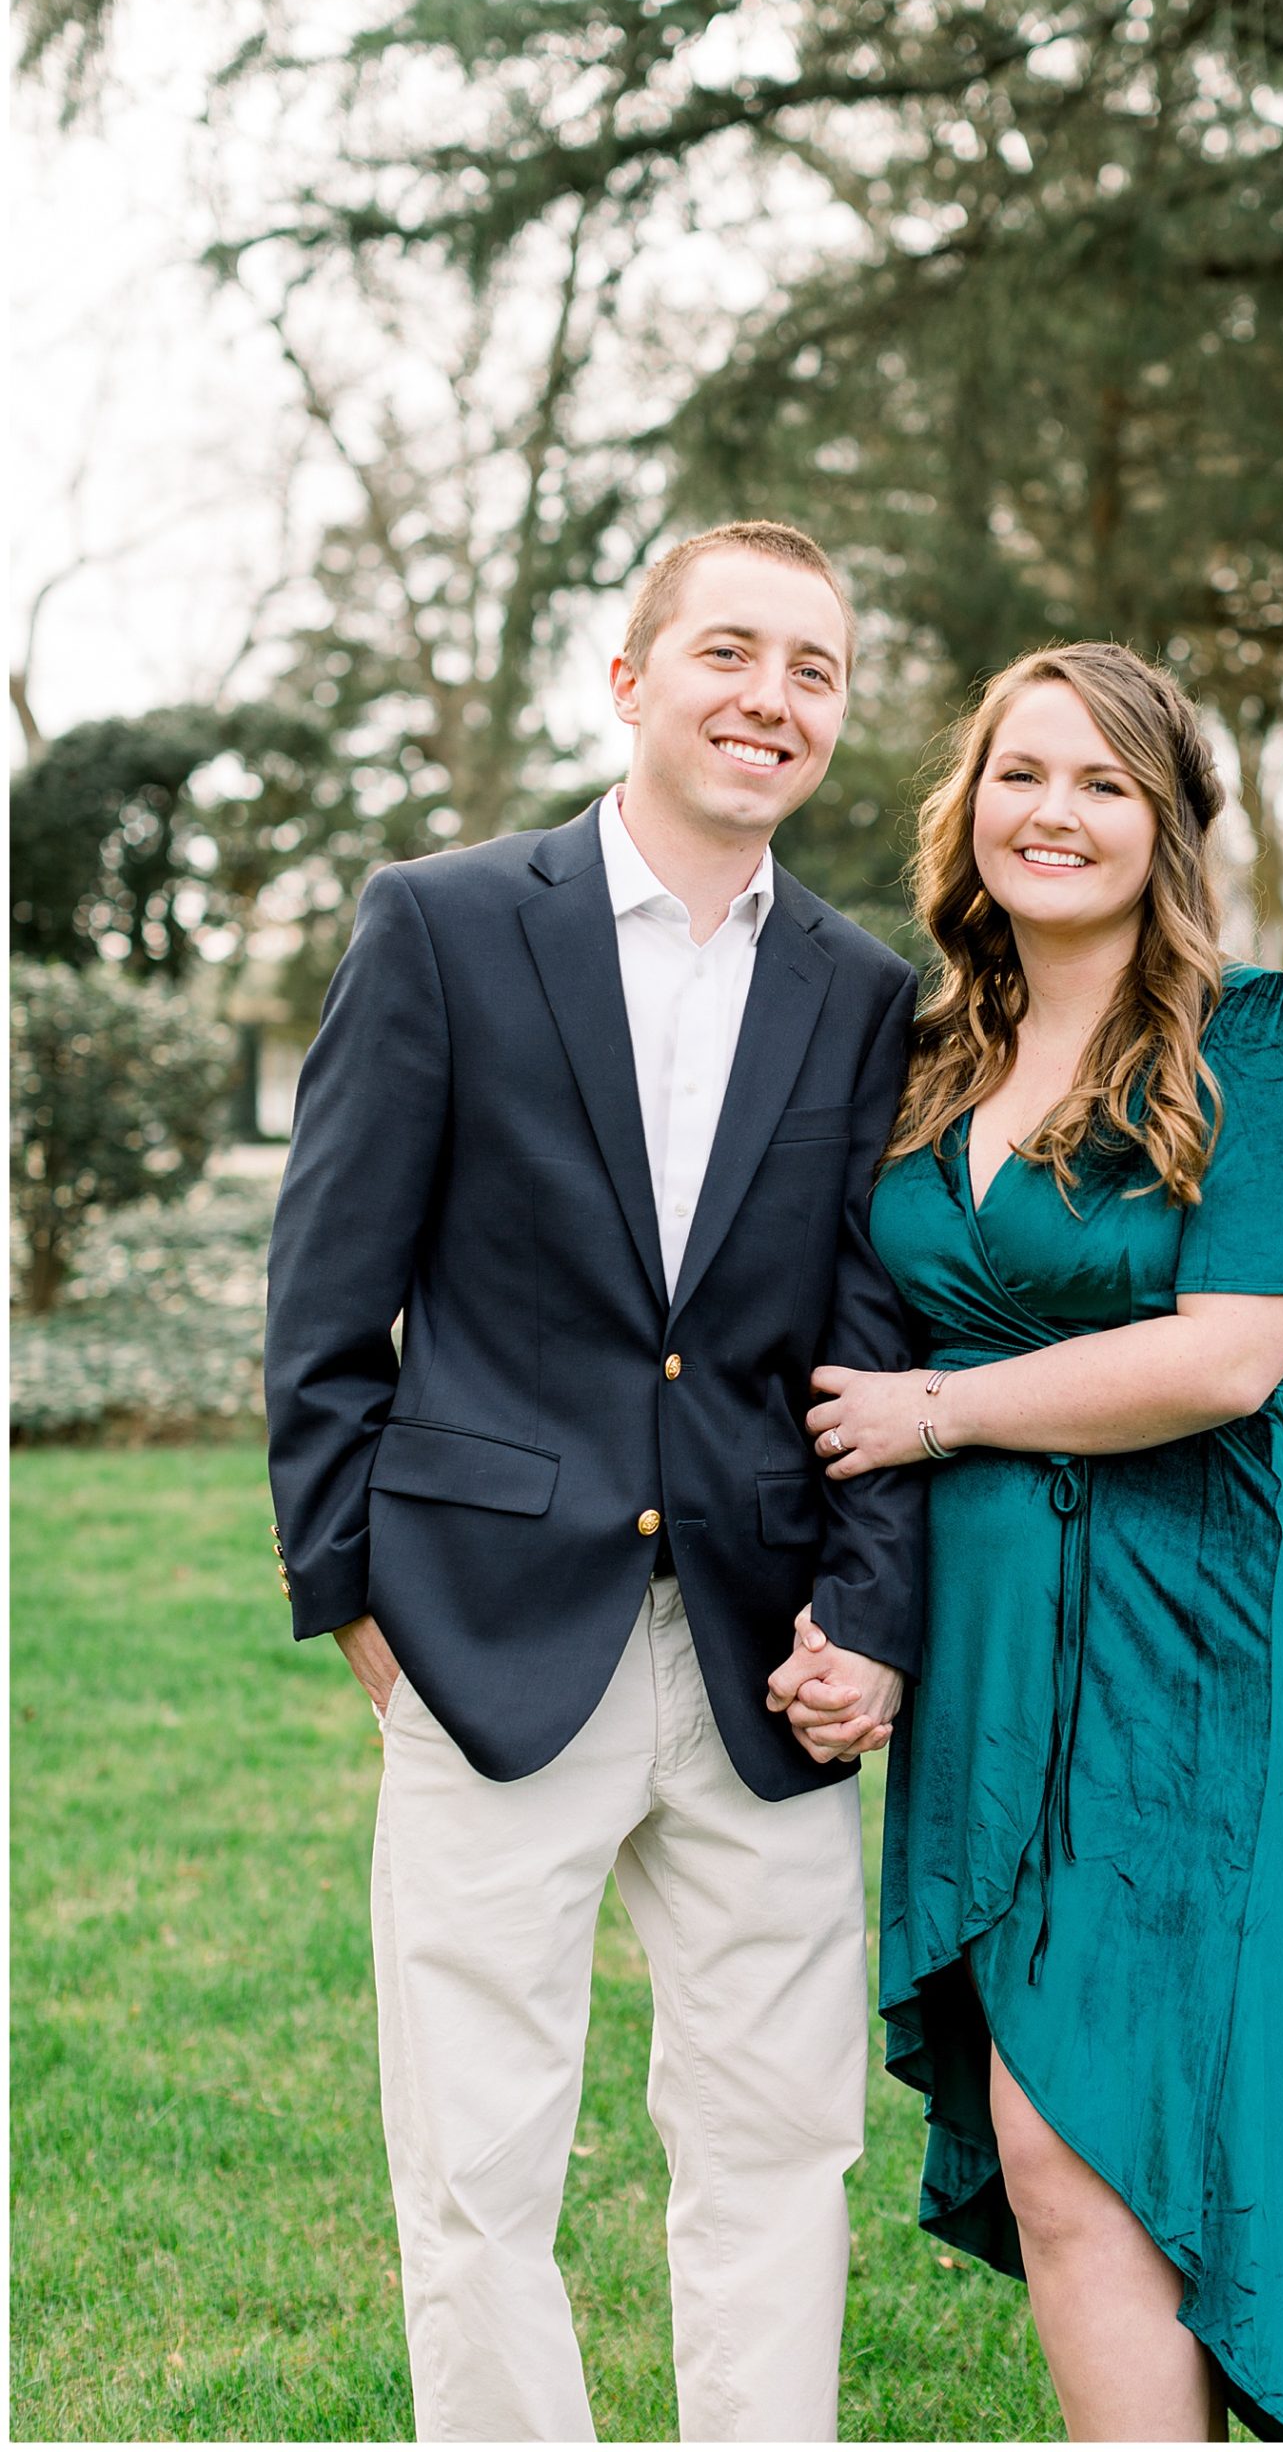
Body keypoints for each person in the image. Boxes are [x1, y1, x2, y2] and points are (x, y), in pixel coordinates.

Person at [264, 520, 923, 2444]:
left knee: (781, 2147)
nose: (770, 698)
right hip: (480, 1647)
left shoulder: (860, 989)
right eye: (730, 652)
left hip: (759, 1656)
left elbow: (869, 1340)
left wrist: (867, 1615)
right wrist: (357, 1601)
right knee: (473, 2168)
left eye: (812, 669)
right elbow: (325, 1299)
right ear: (629, 682)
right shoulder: (446, 921)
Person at [775, 642, 1283, 2443]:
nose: (1054, 813)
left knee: (1096, 2116)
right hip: (975, 1628)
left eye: (1103, 782)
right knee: (1043, 2142)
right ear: (964, 806)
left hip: (1175, 1624)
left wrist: (940, 1412)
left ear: (1165, 826)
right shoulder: (919, 1050)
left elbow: (1228, 1353)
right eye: (1020, 774)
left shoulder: (1248, 1036)